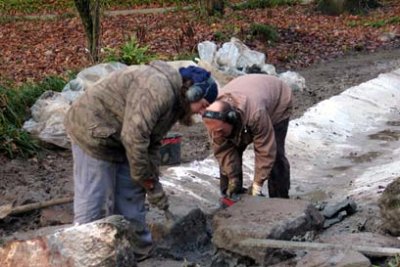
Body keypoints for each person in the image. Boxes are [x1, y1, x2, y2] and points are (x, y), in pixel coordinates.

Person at [64, 61, 218, 255]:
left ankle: (137, 250)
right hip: (92, 129)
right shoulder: (157, 90)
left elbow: (152, 144)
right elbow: (134, 138)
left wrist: (152, 183)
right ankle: (86, 254)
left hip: (120, 135)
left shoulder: (176, 104)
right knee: (96, 199)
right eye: (203, 105)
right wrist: (144, 177)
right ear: (192, 93)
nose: (202, 112)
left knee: (131, 191)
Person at [202, 74, 292, 200]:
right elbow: (223, 151)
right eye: (214, 132)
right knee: (227, 153)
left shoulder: (256, 114)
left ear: (231, 119)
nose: (217, 135)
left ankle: (279, 199)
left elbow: (265, 149)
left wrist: (257, 185)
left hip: (277, 100)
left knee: (275, 154)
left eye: (220, 131)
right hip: (247, 95)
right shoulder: (214, 120)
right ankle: (231, 197)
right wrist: (233, 178)